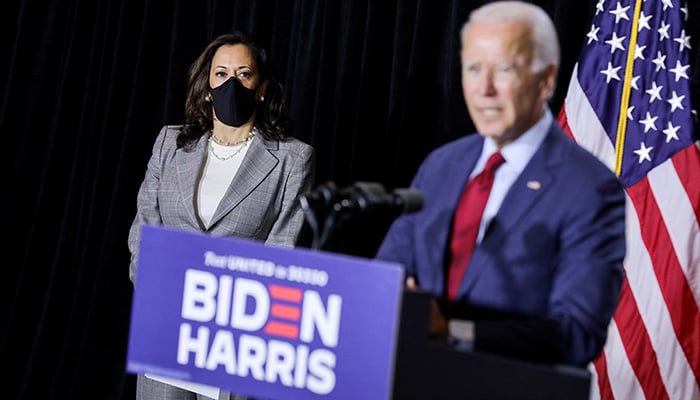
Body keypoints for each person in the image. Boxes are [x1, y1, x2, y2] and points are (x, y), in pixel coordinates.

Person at [376, 1, 625, 367]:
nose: (485, 88)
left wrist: (454, 333)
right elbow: (386, 276)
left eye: (504, 69)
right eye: (473, 68)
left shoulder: (589, 187)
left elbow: (577, 332)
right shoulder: (442, 165)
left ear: (546, 79)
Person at [127, 31, 315, 400]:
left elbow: (284, 248)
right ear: (207, 85)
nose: (232, 83)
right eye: (221, 74)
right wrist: (156, 292)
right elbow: (144, 228)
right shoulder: (170, 143)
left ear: (261, 87)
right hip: (169, 322)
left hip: (236, 336)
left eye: (243, 74)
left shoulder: (293, 159)